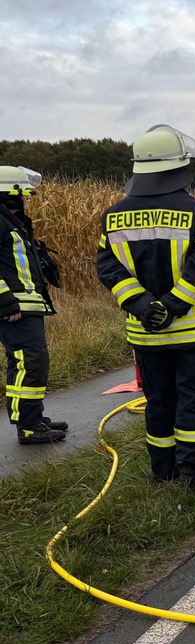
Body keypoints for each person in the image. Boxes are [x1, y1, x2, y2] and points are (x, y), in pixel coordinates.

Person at [95, 125, 195, 488]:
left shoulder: (112, 216)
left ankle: (162, 471)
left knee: (158, 401)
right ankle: (194, 472)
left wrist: (142, 305)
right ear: (178, 167)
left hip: (146, 334)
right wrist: (171, 306)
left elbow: (108, 268)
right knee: (194, 400)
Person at [0, 166, 65, 445]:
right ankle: (28, 426)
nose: (27, 199)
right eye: (23, 194)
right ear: (8, 194)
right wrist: (5, 303)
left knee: (30, 362)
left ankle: (33, 418)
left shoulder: (14, 223)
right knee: (30, 362)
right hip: (15, 309)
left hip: (27, 306)